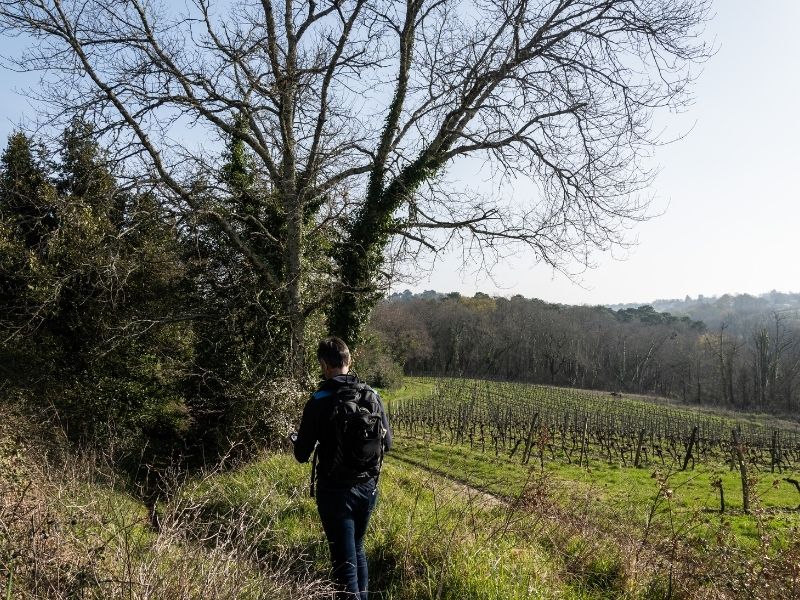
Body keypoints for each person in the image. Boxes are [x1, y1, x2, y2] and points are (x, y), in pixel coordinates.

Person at [292, 336, 392, 600]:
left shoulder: (319, 399)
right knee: (357, 550)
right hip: (368, 488)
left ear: (325, 365)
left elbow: (301, 454)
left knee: (343, 566)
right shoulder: (372, 394)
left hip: (335, 493)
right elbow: (388, 444)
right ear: (349, 361)